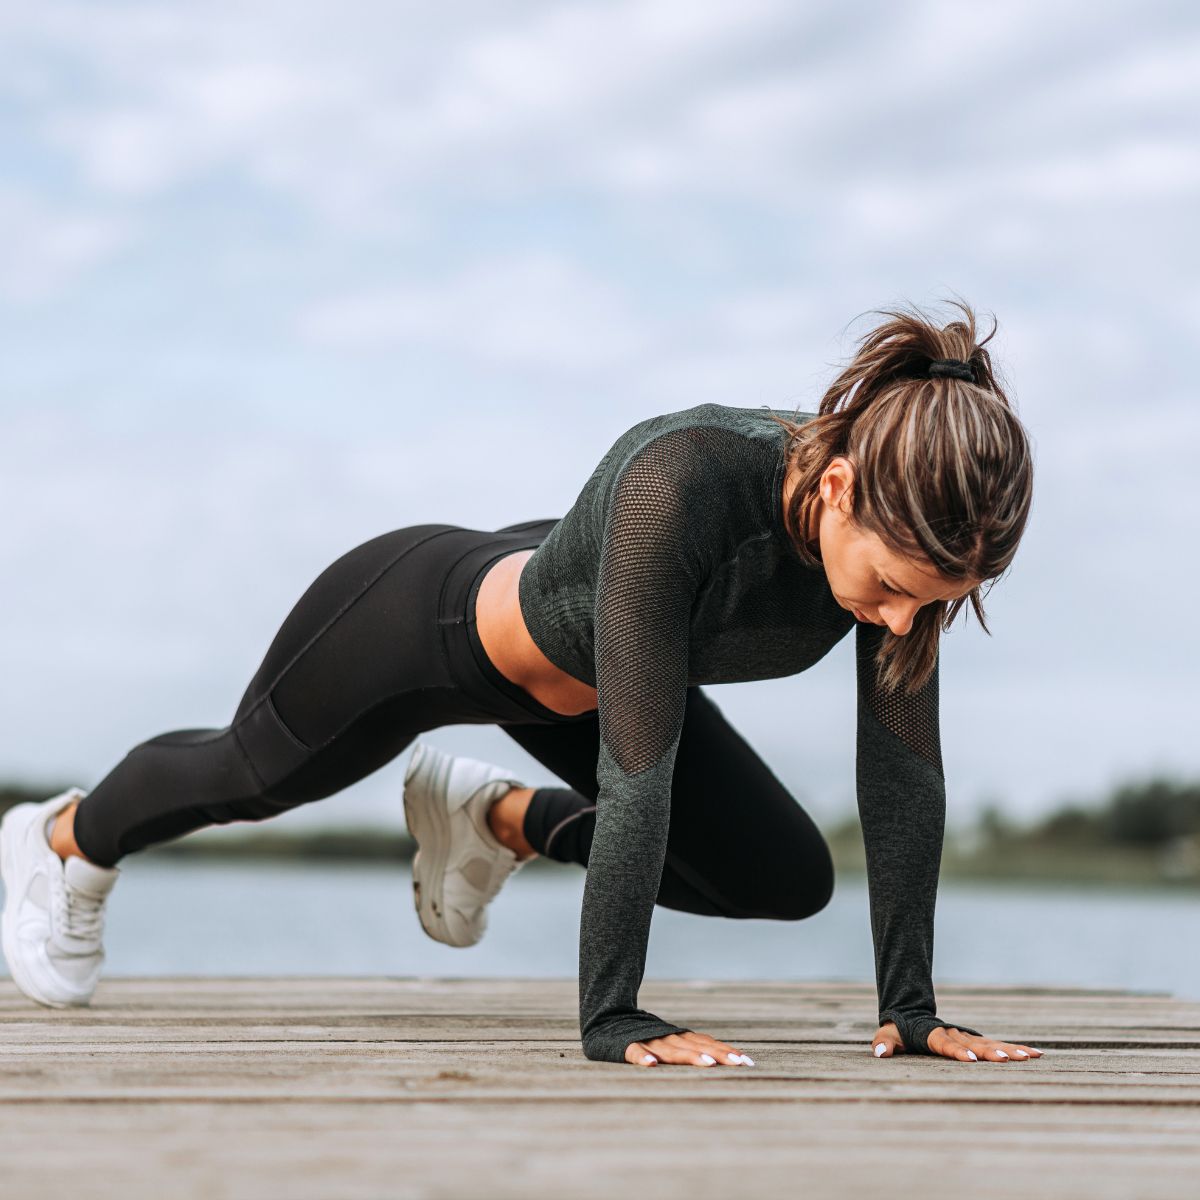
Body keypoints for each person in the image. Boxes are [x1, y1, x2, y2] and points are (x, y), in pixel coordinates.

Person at [1, 303, 1041, 1069]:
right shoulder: (683, 480)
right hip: (425, 623)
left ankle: (495, 817)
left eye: (937, 601)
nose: (905, 621)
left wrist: (911, 1007)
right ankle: (61, 842)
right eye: (898, 589)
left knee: (782, 880)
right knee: (252, 777)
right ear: (838, 487)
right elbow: (641, 775)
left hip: (580, 681)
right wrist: (616, 1016)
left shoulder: (911, 550)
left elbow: (903, 772)